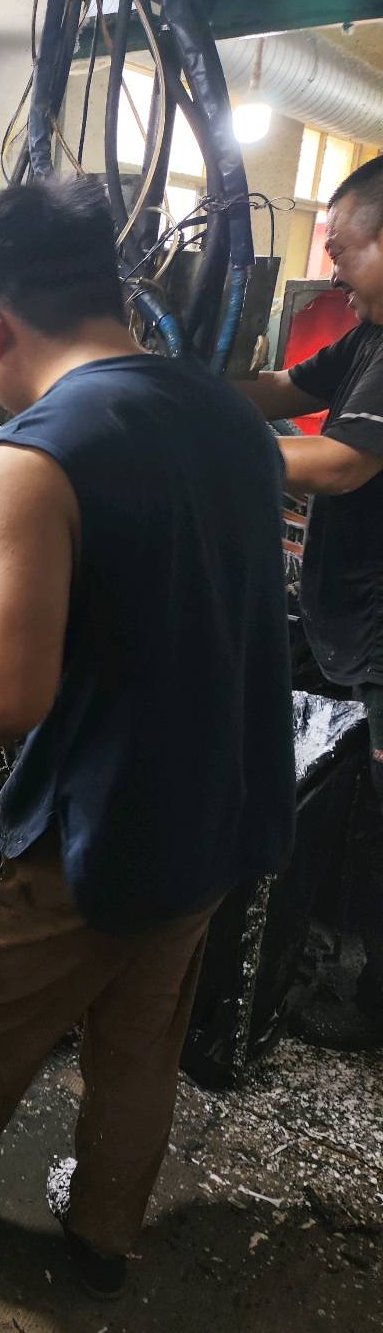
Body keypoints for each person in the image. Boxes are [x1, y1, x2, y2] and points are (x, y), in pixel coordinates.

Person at [0, 178, 295, 1300]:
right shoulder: (234, 418)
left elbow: (4, 697)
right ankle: (102, 1234)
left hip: (92, 831)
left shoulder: (28, 458)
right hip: (217, 811)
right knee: (141, 1040)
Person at [236, 154, 383, 1048]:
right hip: (347, 619)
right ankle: (324, 928)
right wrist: (180, 387)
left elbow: (339, 464)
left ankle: (373, 1012)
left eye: (343, 250)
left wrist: (195, 444)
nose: (333, 271)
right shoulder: (367, 338)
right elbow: (283, 391)